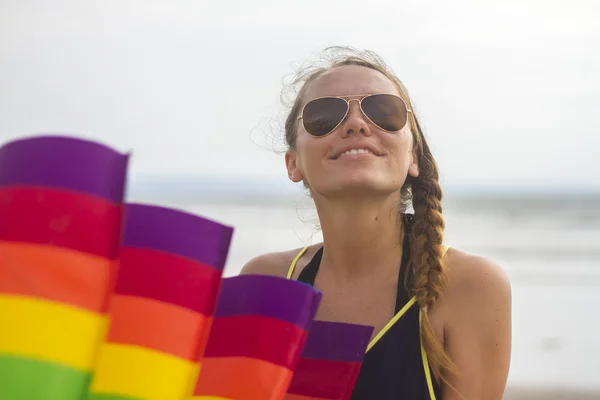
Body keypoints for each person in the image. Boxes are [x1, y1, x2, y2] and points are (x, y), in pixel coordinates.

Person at [241, 47, 512, 400]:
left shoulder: (468, 286)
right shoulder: (267, 283)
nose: (356, 123)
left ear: (413, 155)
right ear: (293, 164)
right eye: (324, 116)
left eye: (383, 111)